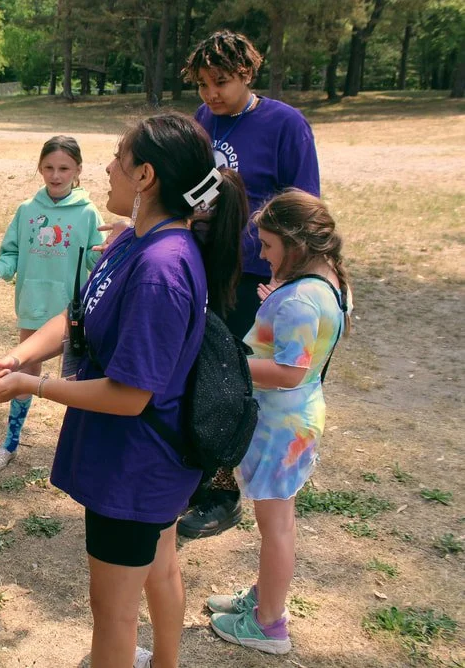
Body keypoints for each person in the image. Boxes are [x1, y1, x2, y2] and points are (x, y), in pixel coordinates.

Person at [0, 115, 248, 668]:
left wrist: (36, 385)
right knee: (162, 565)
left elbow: (130, 396)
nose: (106, 167)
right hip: (149, 462)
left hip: (138, 467)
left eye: (119, 158)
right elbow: (79, 316)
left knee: (114, 615)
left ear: (145, 175)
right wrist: (17, 357)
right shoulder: (134, 241)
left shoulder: (159, 268)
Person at [177, 30, 321, 539]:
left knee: (231, 379)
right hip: (205, 268)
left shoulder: (284, 124)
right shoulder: (203, 121)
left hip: (257, 276)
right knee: (200, 369)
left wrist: (288, 276)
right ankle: (201, 479)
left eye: (221, 82)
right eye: (202, 84)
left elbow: (303, 206)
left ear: (247, 74)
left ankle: (222, 494)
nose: (211, 94)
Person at [209, 190, 349, 655]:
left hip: (282, 426)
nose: (263, 255)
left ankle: (270, 624)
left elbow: (289, 371)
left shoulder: (301, 300)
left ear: (296, 244)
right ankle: (265, 600)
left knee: (276, 525)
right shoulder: (324, 284)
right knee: (277, 520)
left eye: (268, 246)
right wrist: (279, 300)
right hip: (296, 420)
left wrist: (228, 362)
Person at [0, 135, 106, 471]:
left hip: (71, 314)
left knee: (79, 381)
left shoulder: (88, 214)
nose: (56, 175)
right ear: (40, 168)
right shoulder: (27, 210)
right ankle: (10, 443)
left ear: (78, 170)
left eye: (64, 168)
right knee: (24, 373)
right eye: (49, 167)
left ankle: (82, 448)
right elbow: (11, 254)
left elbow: (98, 262)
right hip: (32, 305)